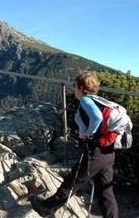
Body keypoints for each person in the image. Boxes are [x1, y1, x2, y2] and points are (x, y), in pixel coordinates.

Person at [32, 71, 118, 218]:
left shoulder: (86, 100)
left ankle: (47, 207)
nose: (74, 89)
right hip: (108, 152)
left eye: (75, 86)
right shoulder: (100, 100)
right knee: (105, 192)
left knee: (73, 181)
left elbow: (97, 118)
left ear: (80, 87)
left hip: (95, 151)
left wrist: (89, 134)